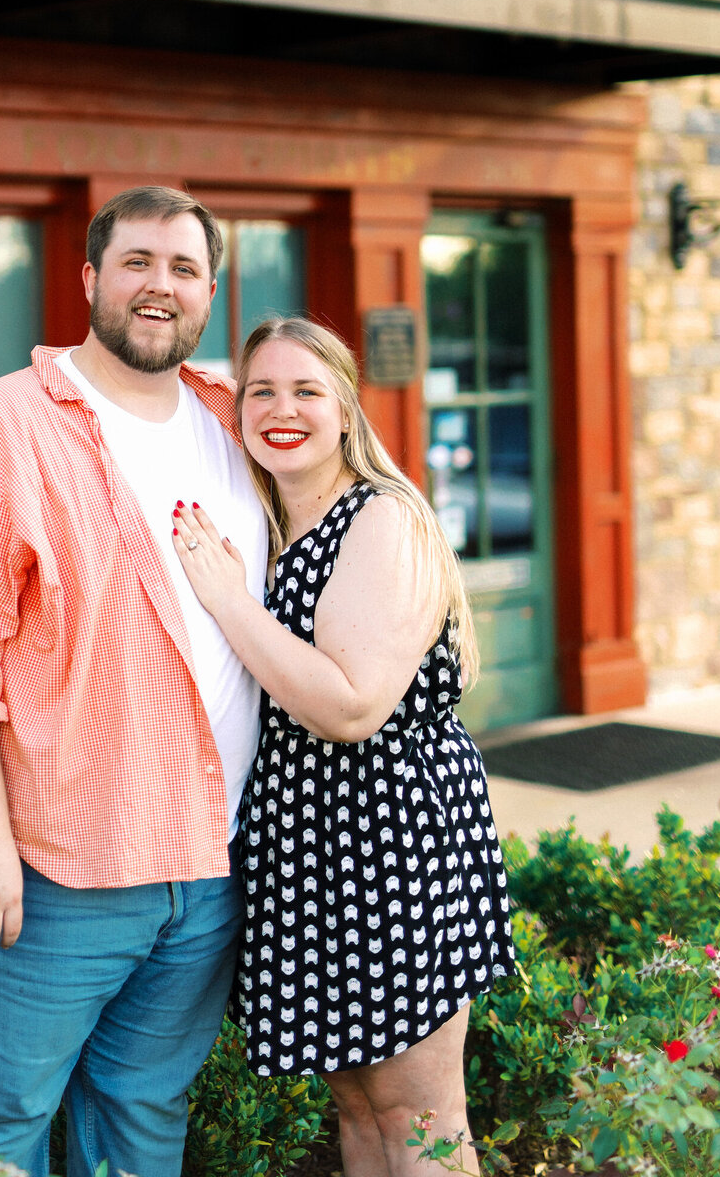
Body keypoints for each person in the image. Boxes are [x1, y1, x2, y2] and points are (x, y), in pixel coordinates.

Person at [0, 185, 270, 1177]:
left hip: (205, 862)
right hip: (49, 866)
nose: (160, 286)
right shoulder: (1, 430)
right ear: (91, 279)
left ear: (210, 292)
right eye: (137, 262)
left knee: (143, 1115)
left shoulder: (237, 421)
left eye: (184, 268)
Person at [171, 317, 515, 1177]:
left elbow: (353, 706)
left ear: (346, 410)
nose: (281, 410)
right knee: (358, 1112)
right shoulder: (268, 524)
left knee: (421, 1117)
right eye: (261, 392)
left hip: (390, 840)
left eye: (306, 391)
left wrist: (224, 597)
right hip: (304, 848)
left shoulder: (381, 519)